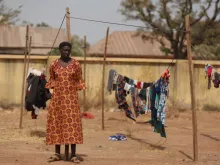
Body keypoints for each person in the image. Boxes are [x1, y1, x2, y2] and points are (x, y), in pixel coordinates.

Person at [45, 41, 85, 163]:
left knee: (72, 125)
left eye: (68, 50)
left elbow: (79, 80)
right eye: (64, 50)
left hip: (71, 100)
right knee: (57, 124)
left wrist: (72, 91)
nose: (66, 52)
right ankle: (57, 153)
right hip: (57, 100)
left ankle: (73, 154)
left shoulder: (76, 64)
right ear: (60, 50)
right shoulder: (53, 65)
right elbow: (51, 80)